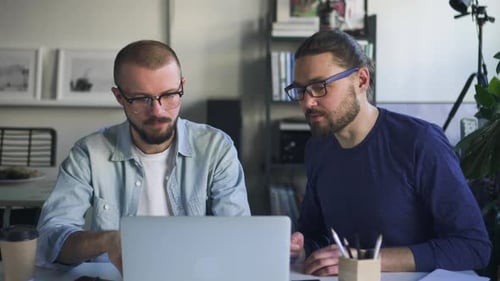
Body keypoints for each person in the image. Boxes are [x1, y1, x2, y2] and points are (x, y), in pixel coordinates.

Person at [287, 30, 491, 276]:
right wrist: (301, 250)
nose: (307, 102)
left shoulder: (421, 142)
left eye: (320, 87)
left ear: (361, 80)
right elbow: (315, 234)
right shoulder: (317, 149)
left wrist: (369, 260)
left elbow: (474, 247)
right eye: (300, 90)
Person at [36, 40, 251, 272]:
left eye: (169, 95)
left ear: (182, 86)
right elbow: (48, 241)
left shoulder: (216, 148)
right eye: (141, 99)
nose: (157, 111)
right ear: (119, 97)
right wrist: (105, 241)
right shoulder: (88, 154)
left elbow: (237, 234)